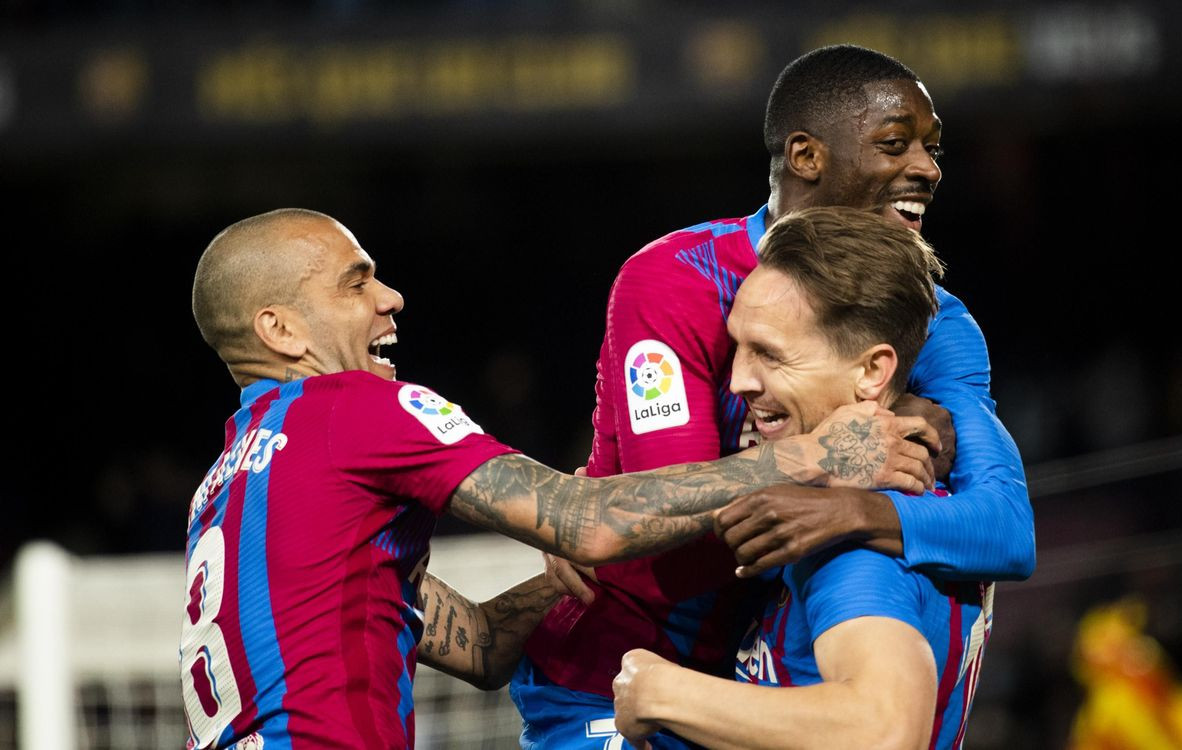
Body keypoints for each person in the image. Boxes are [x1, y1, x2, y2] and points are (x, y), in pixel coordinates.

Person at [180, 207, 936, 748]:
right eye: (355, 284)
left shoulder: (227, 488)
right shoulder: (355, 410)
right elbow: (592, 523)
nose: (389, 298)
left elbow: (479, 646)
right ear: (280, 330)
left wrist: (570, 565)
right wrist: (809, 457)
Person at [515, 44, 1033, 749]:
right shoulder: (678, 280)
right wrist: (597, 512)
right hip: (611, 676)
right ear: (806, 155)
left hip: (758, 674)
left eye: (932, 148)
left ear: (876, 366)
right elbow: (648, 518)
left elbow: (1006, 525)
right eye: (895, 144)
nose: (927, 168)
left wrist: (857, 509)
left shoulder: (933, 321)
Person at [613, 207, 991, 749]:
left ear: (871, 372)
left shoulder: (853, 545)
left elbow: (883, 730)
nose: (739, 380)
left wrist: (658, 691)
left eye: (770, 354)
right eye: (737, 348)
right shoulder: (897, 510)